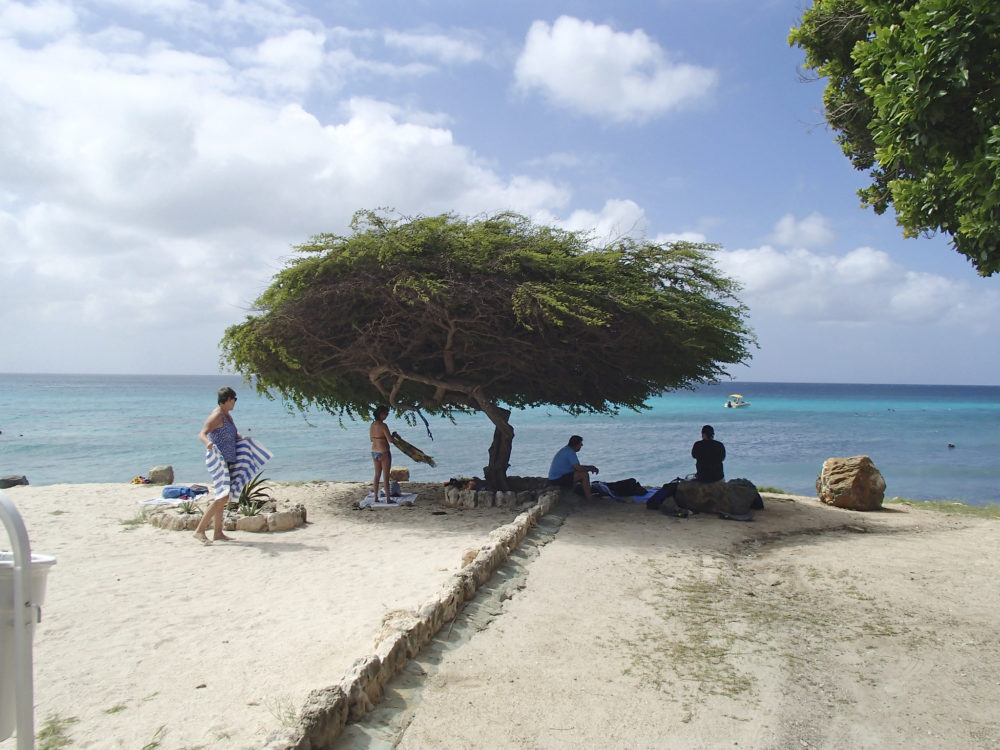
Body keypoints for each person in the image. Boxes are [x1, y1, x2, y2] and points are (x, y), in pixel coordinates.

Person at [195, 386, 242, 544]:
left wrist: (243, 439)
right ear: (228, 399)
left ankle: (218, 533)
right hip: (220, 460)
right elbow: (202, 433)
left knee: (222, 496)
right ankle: (200, 530)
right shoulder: (216, 415)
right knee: (222, 496)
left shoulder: (227, 416)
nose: (235, 402)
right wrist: (208, 443)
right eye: (234, 399)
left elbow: (232, 435)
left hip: (229, 459)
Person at [548, 435, 599, 501]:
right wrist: (591, 468)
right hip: (557, 479)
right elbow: (579, 468)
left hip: (555, 477)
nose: (582, 445)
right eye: (580, 444)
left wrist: (590, 467)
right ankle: (590, 499)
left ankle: (575, 493)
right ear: (576, 444)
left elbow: (576, 467)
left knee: (579, 473)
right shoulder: (570, 452)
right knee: (584, 475)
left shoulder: (566, 450)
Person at [369, 405, 392, 501]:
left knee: (377, 475)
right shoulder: (383, 426)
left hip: (374, 451)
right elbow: (390, 440)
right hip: (384, 452)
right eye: (386, 414)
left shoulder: (372, 425)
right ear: (381, 414)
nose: (386, 416)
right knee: (386, 476)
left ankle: (375, 497)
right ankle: (388, 498)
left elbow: (371, 439)